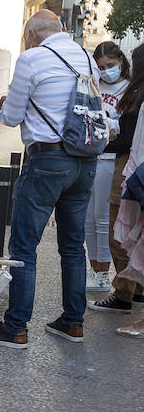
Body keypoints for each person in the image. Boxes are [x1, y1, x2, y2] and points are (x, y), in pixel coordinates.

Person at [0, 10, 99, 348]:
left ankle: (16, 326)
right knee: (72, 244)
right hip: (85, 161)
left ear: (31, 36)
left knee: (24, 247)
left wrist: (4, 103)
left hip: (47, 161)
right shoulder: (86, 57)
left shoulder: (32, 59)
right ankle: (73, 321)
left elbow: (10, 118)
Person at [89, 42, 144, 314]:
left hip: (127, 165)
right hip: (133, 165)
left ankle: (124, 293)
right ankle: (136, 290)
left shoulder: (136, 93)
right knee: (135, 231)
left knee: (117, 231)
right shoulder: (136, 92)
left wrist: (98, 144)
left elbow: (126, 139)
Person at [85, 40, 131, 296]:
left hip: (112, 159)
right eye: (101, 66)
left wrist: (110, 122)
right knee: (87, 220)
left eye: (111, 65)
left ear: (121, 62)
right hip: (91, 154)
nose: (106, 71)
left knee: (103, 220)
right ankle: (95, 270)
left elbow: (127, 127)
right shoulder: (94, 84)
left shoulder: (129, 88)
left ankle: (104, 274)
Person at [112, 78, 144, 336]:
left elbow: (135, 144)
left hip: (138, 175)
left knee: (132, 241)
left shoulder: (139, 97)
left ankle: (140, 318)